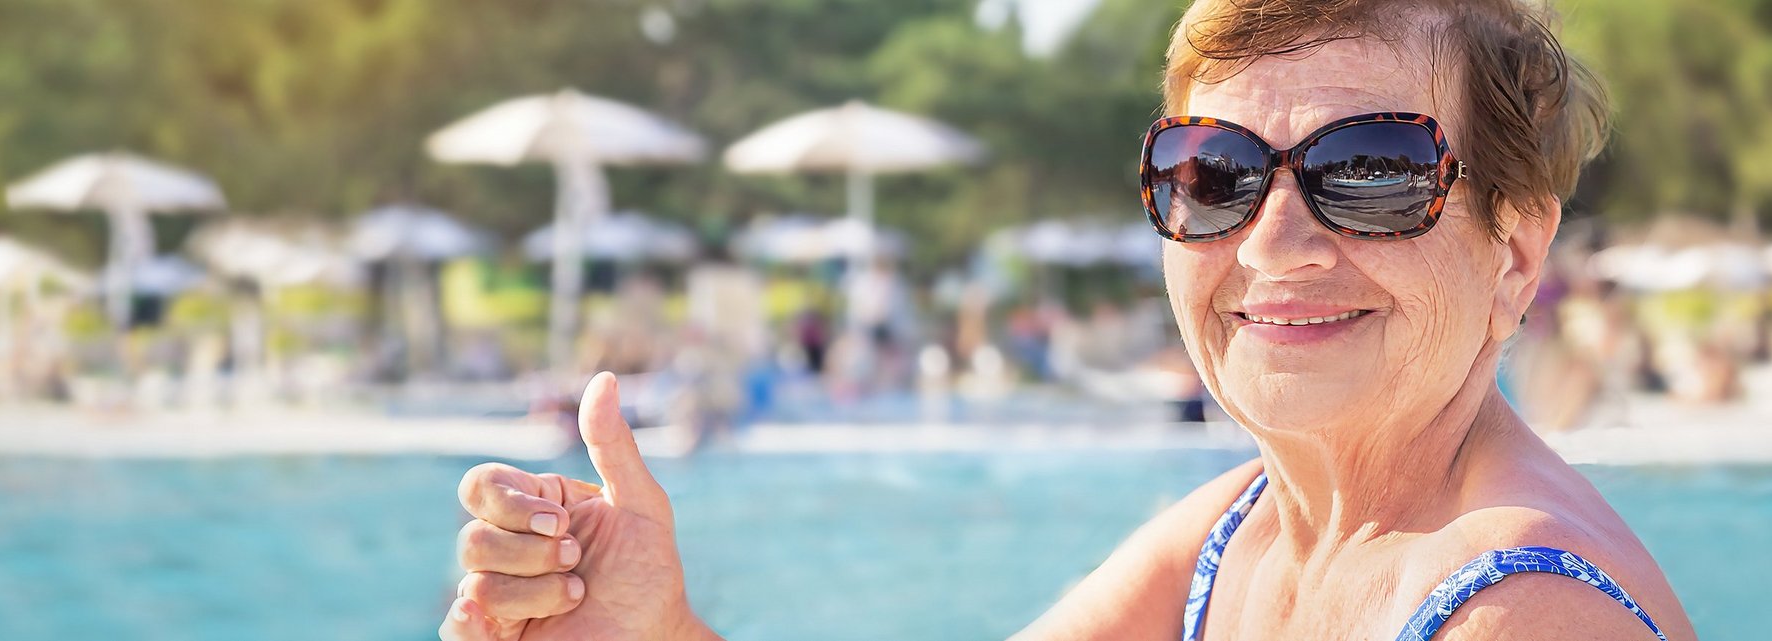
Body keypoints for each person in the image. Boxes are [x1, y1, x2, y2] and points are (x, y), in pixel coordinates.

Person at [438, 0, 1699, 638]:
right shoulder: (1242, 532)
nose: (1272, 239)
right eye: (1215, 173)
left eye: (1370, 169)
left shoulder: (1525, 615)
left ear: (1515, 247)